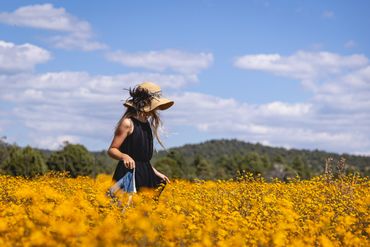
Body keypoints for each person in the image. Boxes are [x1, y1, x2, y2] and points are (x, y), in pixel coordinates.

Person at [106, 81, 174, 207]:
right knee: (124, 211)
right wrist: (124, 156)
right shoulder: (128, 123)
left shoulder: (146, 123)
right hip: (129, 174)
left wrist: (155, 172)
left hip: (145, 173)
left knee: (143, 215)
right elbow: (112, 149)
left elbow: (142, 159)